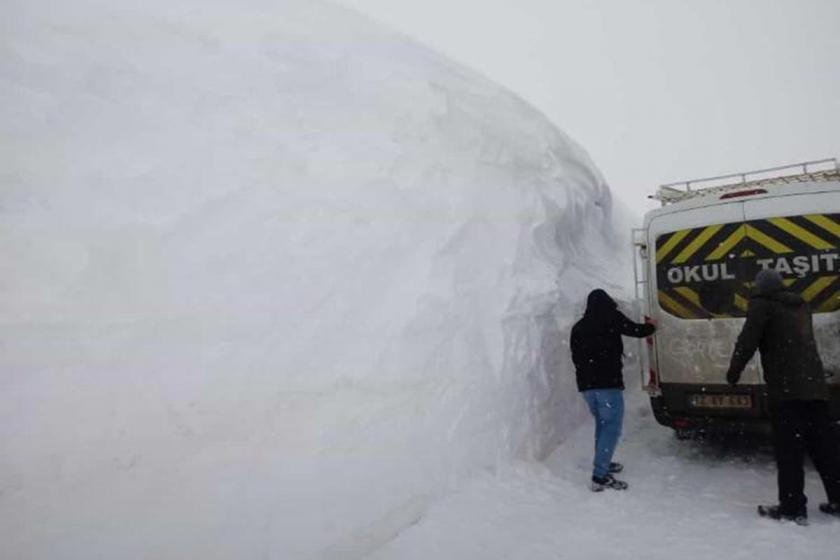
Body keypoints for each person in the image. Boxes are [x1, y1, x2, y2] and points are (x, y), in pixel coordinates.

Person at [727, 268, 840, 524]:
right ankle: (837, 498)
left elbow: (747, 341)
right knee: (825, 449)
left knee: (789, 451)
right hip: (815, 388)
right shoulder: (800, 305)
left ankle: (792, 507)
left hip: (787, 391)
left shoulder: (763, 306)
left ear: (760, 287)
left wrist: (734, 372)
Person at [570, 289, 656, 492]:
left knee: (602, 425)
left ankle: (604, 461)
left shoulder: (578, 327)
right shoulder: (610, 317)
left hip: (587, 387)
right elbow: (636, 330)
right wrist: (651, 326)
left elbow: (576, 358)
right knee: (611, 427)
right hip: (608, 384)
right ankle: (599, 477)